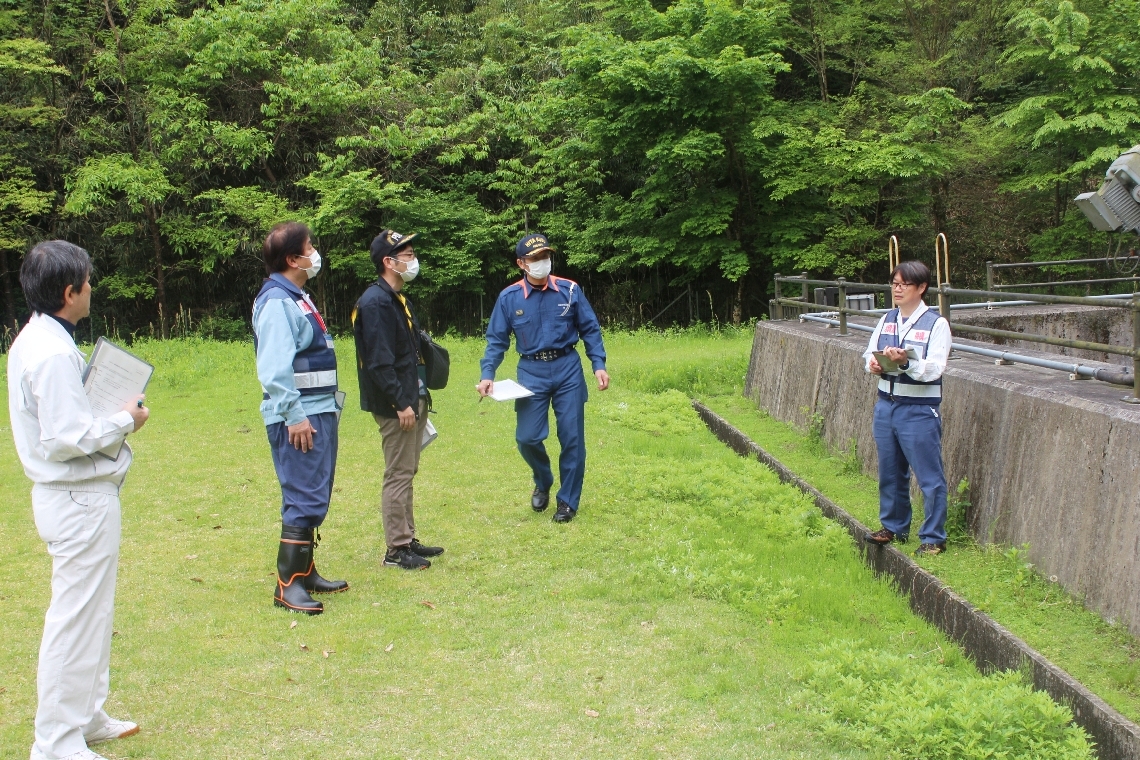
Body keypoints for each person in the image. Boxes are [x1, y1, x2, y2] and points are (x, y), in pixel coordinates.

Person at [8, 241, 150, 760]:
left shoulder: (43, 338)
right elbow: (67, 436)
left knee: (94, 611)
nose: (93, 289)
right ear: (70, 292)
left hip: (82, 497)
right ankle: (55, 742)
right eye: (88, 282)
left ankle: (87, 714)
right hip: (76, 498)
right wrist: (124, 420)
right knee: (74, 616)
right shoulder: (47, 352)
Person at [477, 233, 609, 523]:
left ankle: (567, 502)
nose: (542, 262)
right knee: (527, 437)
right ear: (521, 263)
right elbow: (496, 340)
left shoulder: (570, 290)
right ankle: (543, 478)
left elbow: (590, 329)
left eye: (545, 256)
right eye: (535, 258)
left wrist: (598, 363)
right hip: (531, 372)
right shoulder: (509, 298)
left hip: (568, 369)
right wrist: (488, 374)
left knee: (572, 439)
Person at [253, 222, 348, 616]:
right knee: (302, 494)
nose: (315, 253)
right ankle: (287, 585)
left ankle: (306, 571)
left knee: (316, 491)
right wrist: (294, 416)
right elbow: (274, 370)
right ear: (292, 259)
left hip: (318, 410)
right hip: (299, 417)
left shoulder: (297, 297)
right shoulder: (277, 301)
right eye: (309, 248)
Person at [353, 229, 444, 570]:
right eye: (406, 255)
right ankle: (396, 550)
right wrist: (400, 403)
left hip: (412, 396)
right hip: (398, 404)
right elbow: (378, 360)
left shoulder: (395, 298)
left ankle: (407, 537)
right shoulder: (375, 302)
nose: (412, 259)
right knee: (398, 473)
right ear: (388, 262)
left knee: (408, 469)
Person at [863, 260, 952, 556]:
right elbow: (868, 353)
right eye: (894, 283)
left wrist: (906, 362)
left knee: (928, 476)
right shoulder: (887, 318)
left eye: (904, 284)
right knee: (890, 471)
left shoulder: (936, 324)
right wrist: (874, 365)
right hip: (886, 406)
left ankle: (933, 537)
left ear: (922, 288)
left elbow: (935, 368)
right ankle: (894, 527)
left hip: (918, 409)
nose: (897, 289)